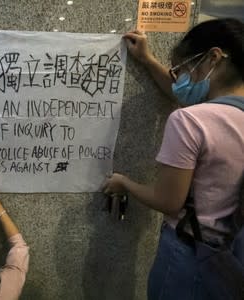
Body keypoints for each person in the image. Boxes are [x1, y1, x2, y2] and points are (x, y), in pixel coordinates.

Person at [102, 18, 244, 299]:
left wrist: (124, 183)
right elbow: (187, 98)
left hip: (190, 254)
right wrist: (146, 59)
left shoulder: (190, 121)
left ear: (214, 57)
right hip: (232, 255)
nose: (180, 81)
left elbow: (169, 201)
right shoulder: (226, 116)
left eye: (184, 69)